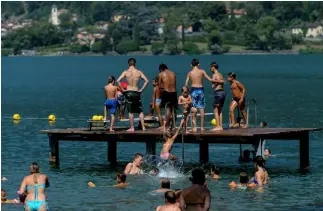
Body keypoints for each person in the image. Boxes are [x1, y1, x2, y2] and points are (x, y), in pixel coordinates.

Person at [185, 58, 220, 132]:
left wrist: (189, 91)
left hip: (193, 90)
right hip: (200, 90)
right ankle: (202, 127)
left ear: (191, 65)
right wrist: (220, 81)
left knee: (194, 108)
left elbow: (186, 85)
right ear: (198, 64)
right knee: (201, 109)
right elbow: (210, 80)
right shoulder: (202, 71)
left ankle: (194, 127)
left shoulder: (190, 73)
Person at [117, 58, 149, 132]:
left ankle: (132, 127)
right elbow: (146, 81)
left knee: (130, 111)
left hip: (128, 92)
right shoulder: (139, 72)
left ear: (128, 64)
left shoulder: (126, 72)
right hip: (136, 92)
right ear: (135, 64)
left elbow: (118, 80)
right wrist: (141, 90)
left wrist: (122, 89)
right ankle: (143, 127)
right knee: (140, 110)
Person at [158, 64, 177, 130]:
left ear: (161, 69)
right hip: (174, 92)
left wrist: (162, 87)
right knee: (174, 109)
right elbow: (174, 84)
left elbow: (159, 86)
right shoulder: (173, 73)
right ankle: (173, 126)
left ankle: (167, 126)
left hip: (166, 92)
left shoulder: (161, 74)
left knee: (168, 110)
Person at [210, 62, 226, 131]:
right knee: (220, 110)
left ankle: (217, 126)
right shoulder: (221, 74)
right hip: (223, 92)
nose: (210, 69)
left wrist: (213, 84)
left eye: (210, 67)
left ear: (213, 67)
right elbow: (221, 82)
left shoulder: (214, 75)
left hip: (218, 92)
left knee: (215, 110)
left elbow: (213, 85)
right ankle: (220, 126)